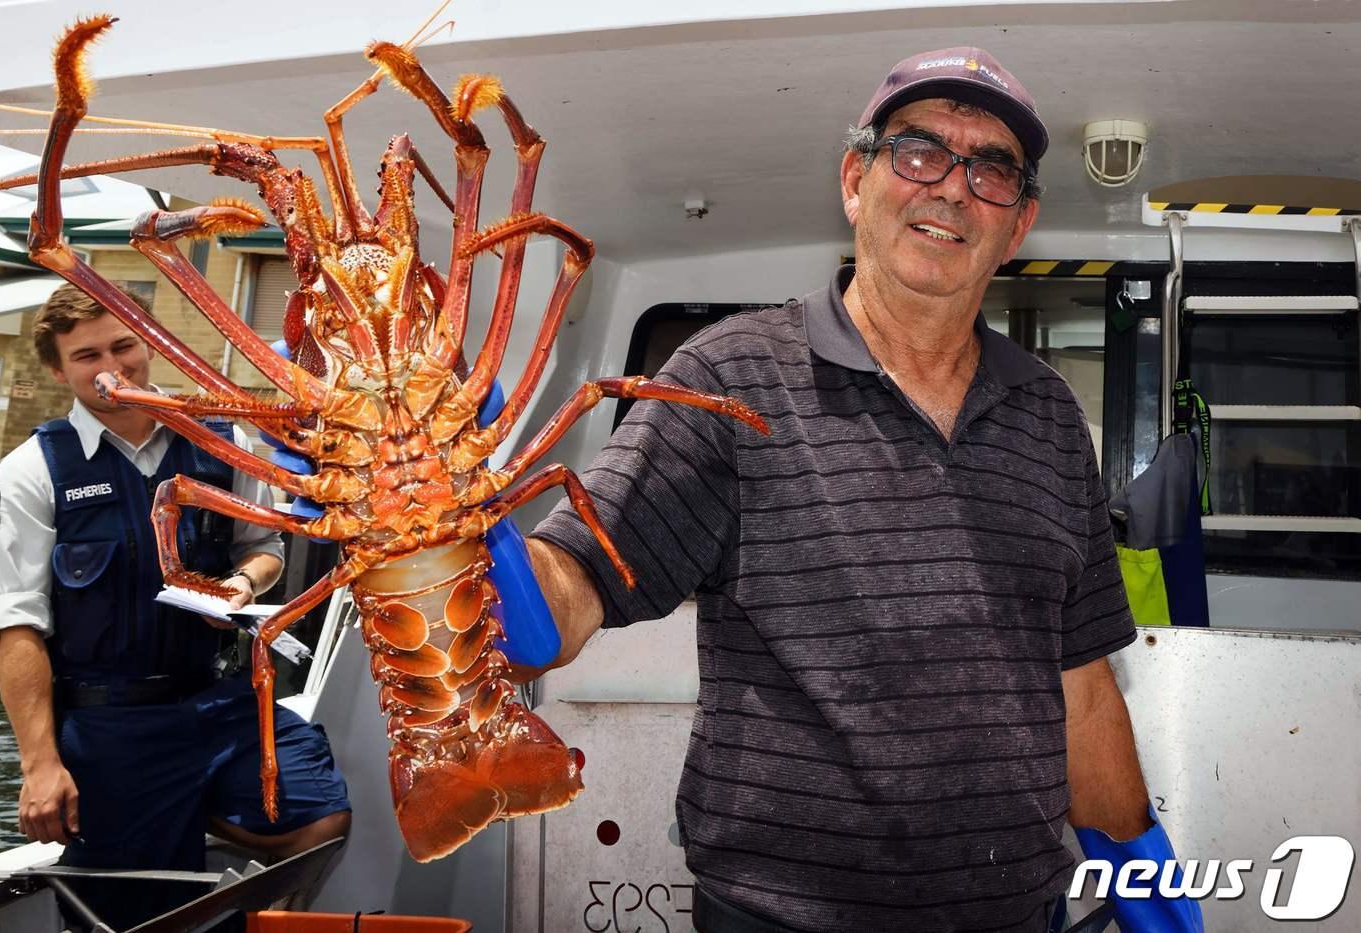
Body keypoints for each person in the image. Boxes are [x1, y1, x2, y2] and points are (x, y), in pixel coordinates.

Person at [492, 48, 1203, 932]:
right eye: (918, 150)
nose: (950, 188)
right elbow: (566, 595)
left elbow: (1081, 681)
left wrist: (1143, 871)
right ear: (854, 182)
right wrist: (468, 545)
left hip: (1020, 912)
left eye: (991, 170)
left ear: (1017, 225)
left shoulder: (1048, 415)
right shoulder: (727, 378)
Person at [0, 284, 351, 930]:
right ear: (58, 369)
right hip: (112, 727)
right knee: (132, 916)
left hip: (217, 704)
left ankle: (202, 815)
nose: (112, 366)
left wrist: (242, 585)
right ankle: (168, 806)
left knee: (320, 816)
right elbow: (16, 629)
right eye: (87, 355)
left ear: (148, 342)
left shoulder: (220, 444)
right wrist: (40, 764)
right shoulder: (31, 471)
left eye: (124, 345)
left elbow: (266, 549)